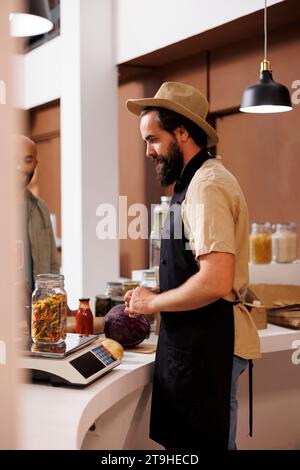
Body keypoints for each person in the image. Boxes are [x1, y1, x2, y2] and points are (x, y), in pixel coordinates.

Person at [125, 82, 261, 450]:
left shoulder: (207, 185)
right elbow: (194, 269)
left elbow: (216, 280)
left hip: (209, 347)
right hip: (192, 346)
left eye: (153, 139)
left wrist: (152, 304)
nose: (148, 151)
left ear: (182, 132)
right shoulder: (192, 183)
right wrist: (156, 293)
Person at [14, 134, 60, 295]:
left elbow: (53, 265)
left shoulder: (41, 208)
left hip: (37, 309)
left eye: (27, 160)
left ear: (35, 164)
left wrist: (54, 300)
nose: (20, 167)